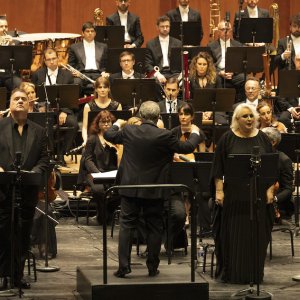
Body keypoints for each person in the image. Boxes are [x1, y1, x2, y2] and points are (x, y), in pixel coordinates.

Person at [104, 100, 202, 278]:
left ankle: (124, 267)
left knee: (126, 226)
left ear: (140, 116)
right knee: (154, 227)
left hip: (130, 188)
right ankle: (152, 267)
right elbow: (187, 147)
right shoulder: (165, 135)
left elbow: (109, 135)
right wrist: (195, 132)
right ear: (158, 117)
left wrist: (118, 122)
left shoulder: (129, 130)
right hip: (155, 189)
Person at [212, 103, 275, 284]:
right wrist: (219, 191)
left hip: (257, 196)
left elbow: (271, 168)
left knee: (256, 238)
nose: (249, 119)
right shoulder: (227, 139)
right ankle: (234, 274)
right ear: (236, 120)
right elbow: (218, 169)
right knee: (234, 237)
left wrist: (270, 190)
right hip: (234, 197)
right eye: (244, 116)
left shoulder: (263, 138)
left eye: (251, 116)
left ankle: (255, 275)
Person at [0, 88, 48, 290]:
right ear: (10, 104)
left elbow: (45, 159)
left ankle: (17, 276)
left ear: (29, 104)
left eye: (23, 99)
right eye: (16, 99)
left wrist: (34, 171)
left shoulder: (39, 130)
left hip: (27, 190)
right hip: (2, 188)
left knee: (23, 233)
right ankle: (3, 276)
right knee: (3, 233)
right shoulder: (0, 127)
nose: (20, 101)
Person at [32, 48, 79, 164]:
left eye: (54, 58)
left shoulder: (67, 75)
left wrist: (65, 112)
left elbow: (70, 97)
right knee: (45, 125)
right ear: (45, 61)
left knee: (73, 124)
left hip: (63, 109)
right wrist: (40, 107)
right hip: (45, 110)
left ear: (57, 59)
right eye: (49, 60)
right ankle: (51, 155)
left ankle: (63, 153)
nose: (52, 62)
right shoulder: (38, 74)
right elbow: (34, 94)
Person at [83, 110, 122, 224]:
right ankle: (103, 216)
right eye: (102, 122)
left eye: (108, 122)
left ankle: (107, 211)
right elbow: (88, 160)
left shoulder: (117, 139)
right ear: (97, 124)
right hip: (95, 172)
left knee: (122, 190)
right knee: (99, 190)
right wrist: (97, 173)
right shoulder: (93, 139)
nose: (105, 125)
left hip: (112, 173)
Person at [171, 102, 206, 228]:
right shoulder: (174, 132)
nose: (183, 117)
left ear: (192, 117)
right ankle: (184, 214)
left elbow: (202, 154)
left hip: (193, 168)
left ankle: (187, 214)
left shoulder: (199, 133)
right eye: (181, 114)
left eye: (186, 114)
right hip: (177, 167)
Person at [208, 20, 245, 102]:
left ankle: (241, 104)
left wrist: (233, 72)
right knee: (215, 78)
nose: (225, 32)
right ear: (218, 31)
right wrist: (220, 72)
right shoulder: (211, 46)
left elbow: (241, 63)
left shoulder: (238, 45)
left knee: (244, 78)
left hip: (234, 73)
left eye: (228, 29)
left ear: (231, 31)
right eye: (223, 29)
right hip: (219, 73)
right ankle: (221, 106)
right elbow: (210, 64)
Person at [261, 127, 294, 219]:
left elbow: (288, 188)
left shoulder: (284, 160)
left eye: (261, 139)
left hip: (278, 205)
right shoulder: (257, 157)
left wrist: (274, 199)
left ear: (273, 142)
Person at [68, 22, 108, 92]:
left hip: (99, 73)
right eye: (87, 31)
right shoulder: (74, 47)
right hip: (81, 74)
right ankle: (78, 103)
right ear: (83, 33)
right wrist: (74, 72)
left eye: (92, 31)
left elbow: (107, 63)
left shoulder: (103, 46)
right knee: (76, 82)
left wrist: (105, 72)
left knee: (108, 80)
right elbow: (71, 65)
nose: (90, 33)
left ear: (95, 33)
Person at [82, 77, 122, 145]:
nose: (102, 90)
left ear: (109, 89)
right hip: (94, 140)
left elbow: (119, 127)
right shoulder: (88, 106)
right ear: (96, 89)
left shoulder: (117, 105)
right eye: (100, 87)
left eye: (105, 87)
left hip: (112, 140)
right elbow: (85, 128)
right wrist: (86, 140)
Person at [189, 52, 225, 124]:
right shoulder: (190, 79)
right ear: (195, 65)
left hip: (214, 109)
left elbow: (220, 98)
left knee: (222, 122)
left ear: (208, 66)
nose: (202, 66)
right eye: (199, 64)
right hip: (196, 110)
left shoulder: (216, 78)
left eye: (204, 64)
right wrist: (200, 113)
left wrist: (210, 112)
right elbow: (190, 100)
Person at [145, 15, 182, 83]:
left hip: (174, 74)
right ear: (157, 27)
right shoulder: (150, 44)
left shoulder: (178, 43)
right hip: (158, 72)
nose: (165, 29)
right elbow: (148, 64)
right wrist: (158, 74)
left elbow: (181, 62)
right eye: (162, 26)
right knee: (153, 81)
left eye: (167, 26)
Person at [277, 52, 300, 130]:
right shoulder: (287, 77)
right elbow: (281, 99)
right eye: (298, 60)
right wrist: (291, 109)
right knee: (282, 119)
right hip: (291, 109)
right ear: (294, 61)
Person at [0, 16, 22, 95]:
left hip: (9, 74)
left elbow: (19, 60)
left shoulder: (14, 42)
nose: (4, 29)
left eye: (6, 26)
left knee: (19, 84)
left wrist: (11, 44)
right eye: (1, 26)